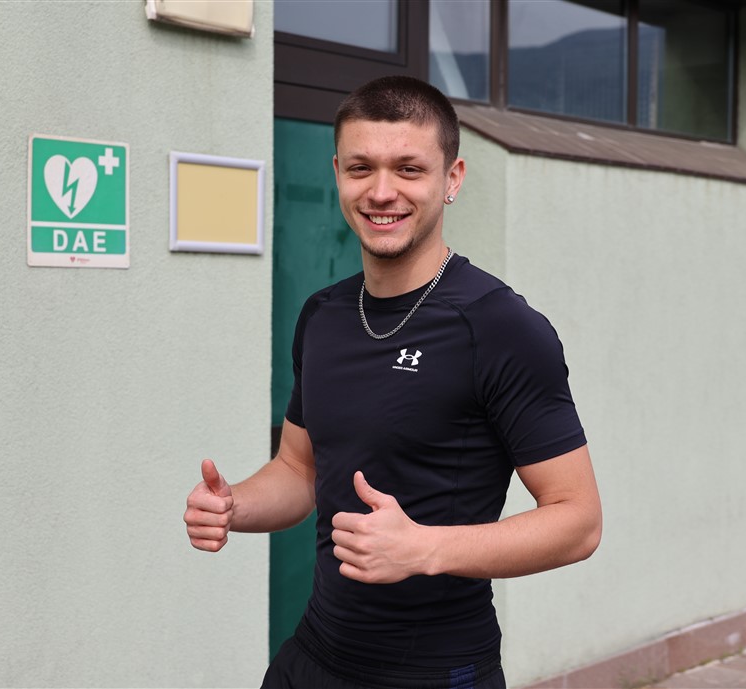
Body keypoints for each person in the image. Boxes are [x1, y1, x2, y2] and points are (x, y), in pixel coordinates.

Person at [184, 75, 602, 689]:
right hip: (312, 658)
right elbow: (300, 470)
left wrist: (424, 548)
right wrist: (234, 506)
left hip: (435, 672)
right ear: (338, 174)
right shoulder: (323, 315)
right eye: (362, 168)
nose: (382, 192)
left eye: (409, 169)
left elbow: (579, 521)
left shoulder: (500, 327)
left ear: (452, 178)